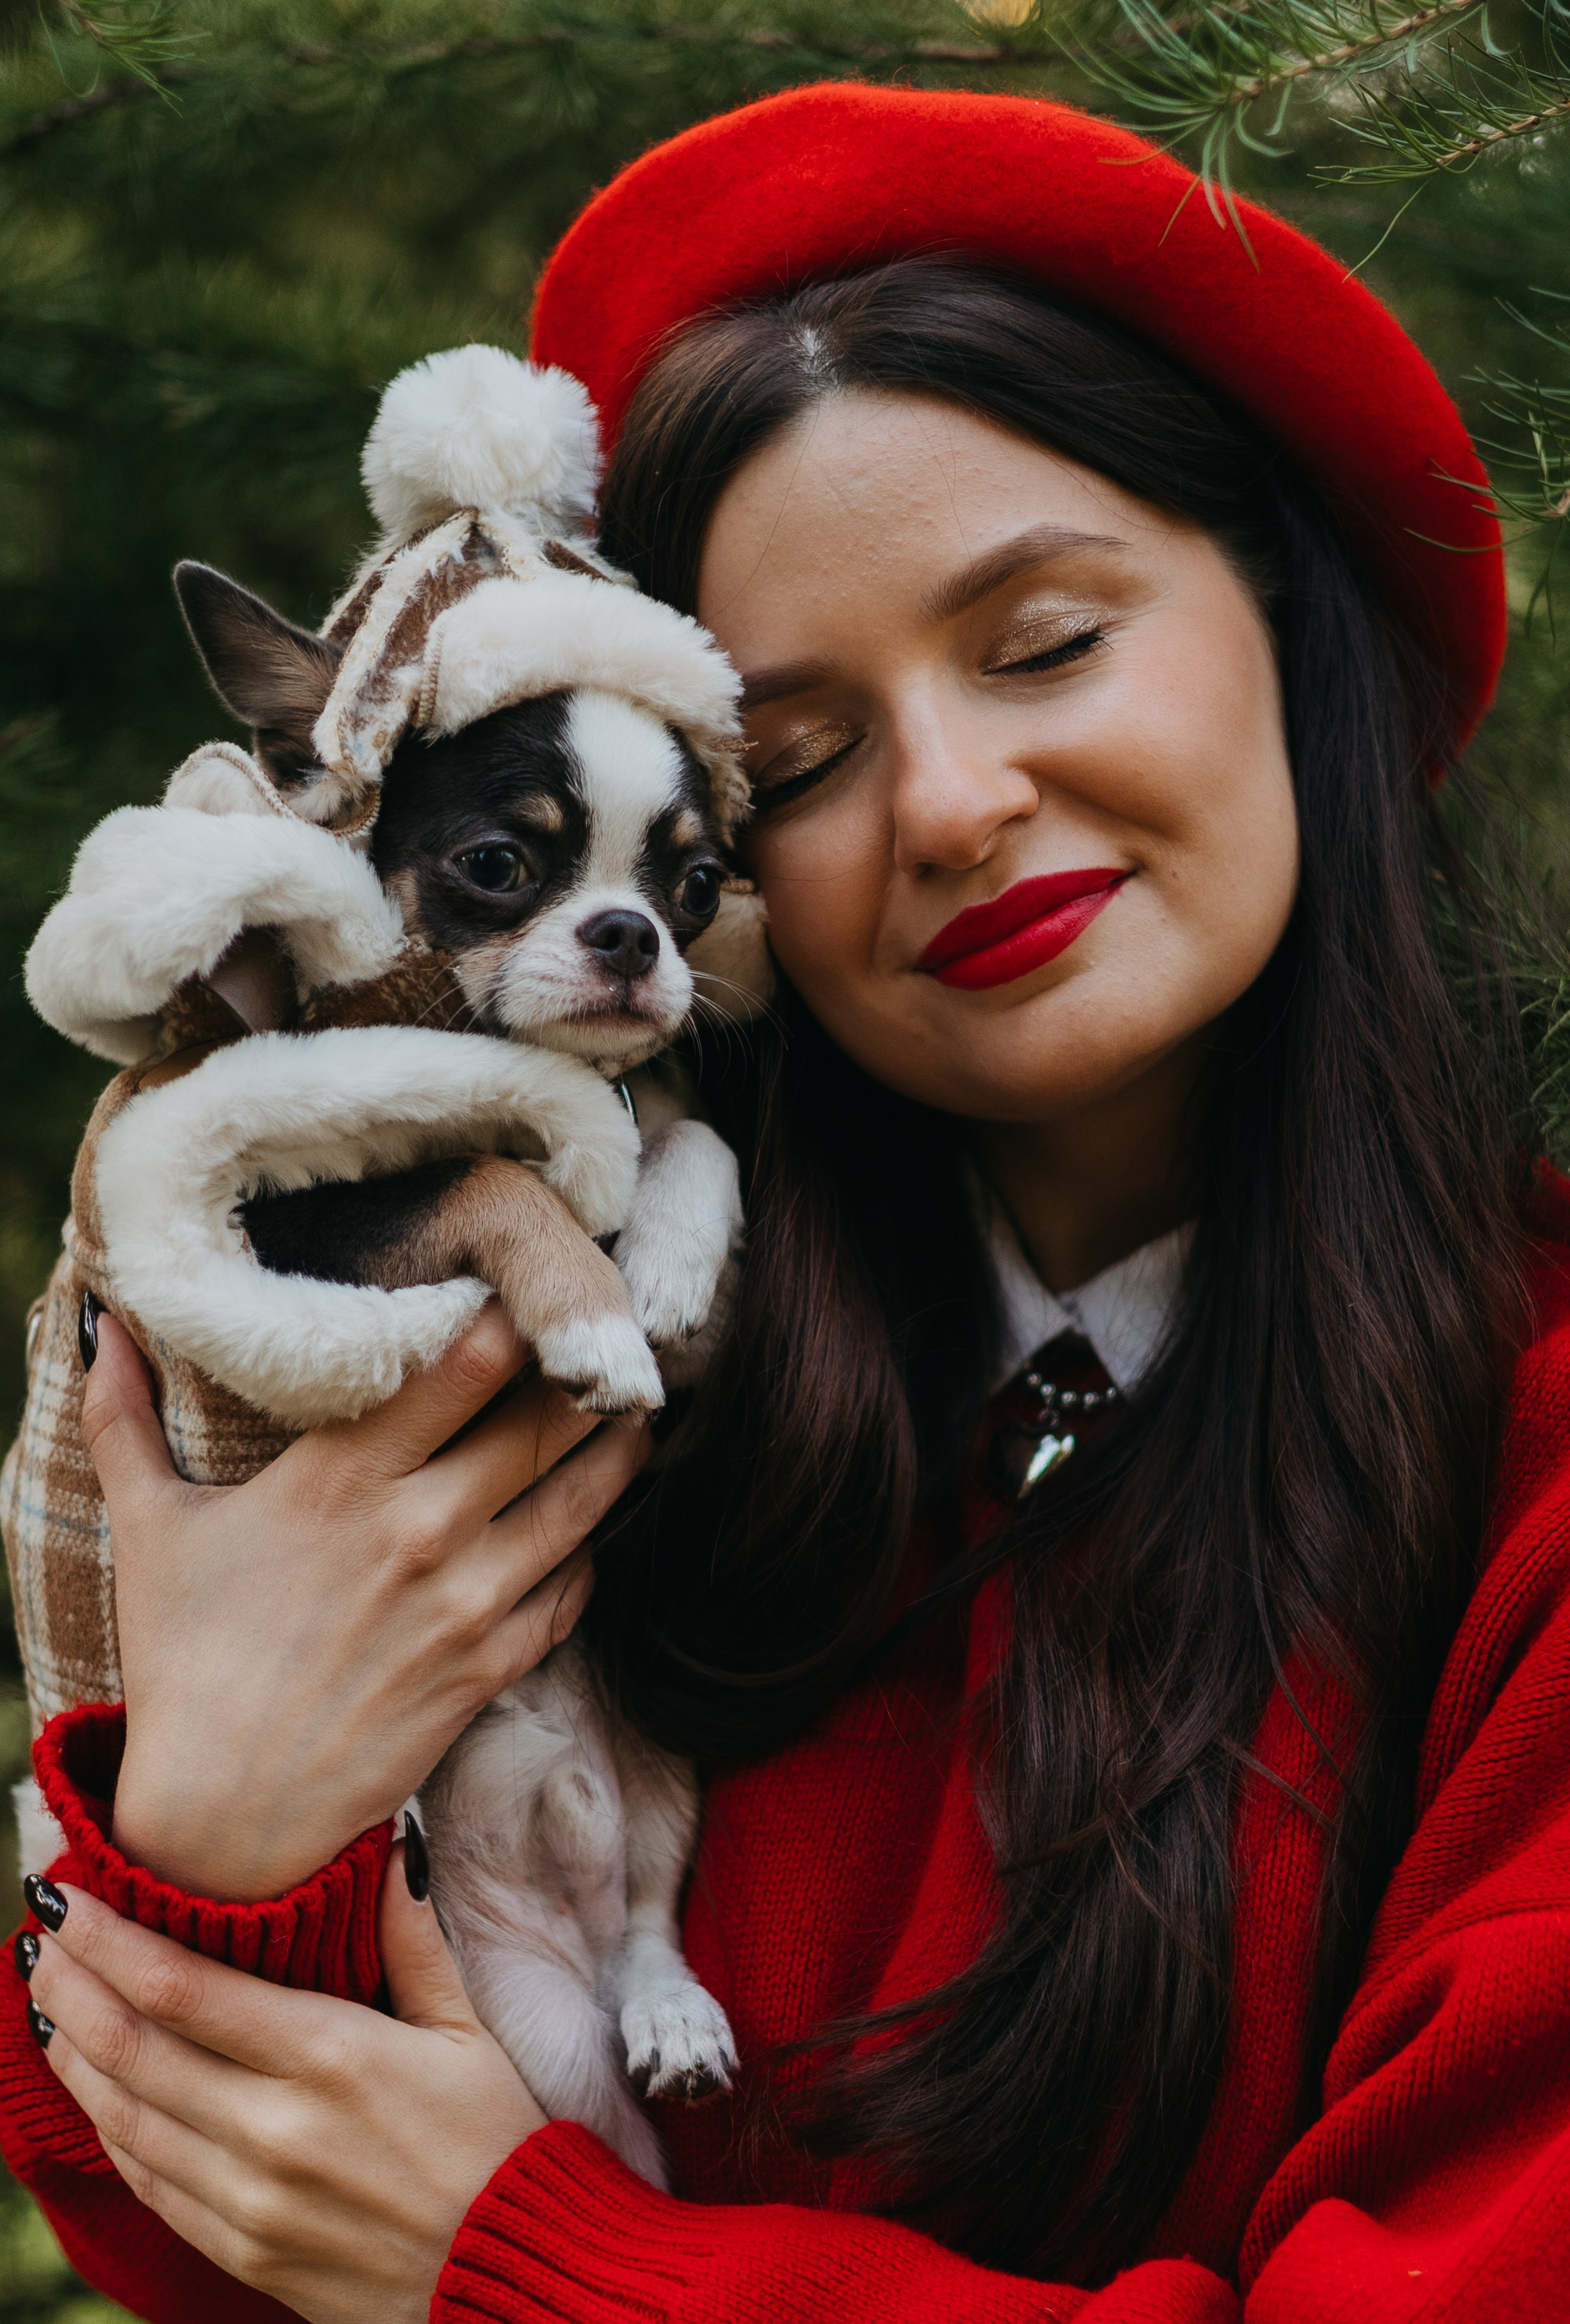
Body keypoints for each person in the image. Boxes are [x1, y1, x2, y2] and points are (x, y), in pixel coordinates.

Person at [2, 80, 1568, 2324]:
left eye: (1043, 643)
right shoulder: (595, 1364)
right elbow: (161, 2214)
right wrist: (227, 1819)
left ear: (1294, 627)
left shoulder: (1532, 1474)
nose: (949, 803)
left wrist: (557, 2274)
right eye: (805, 759)